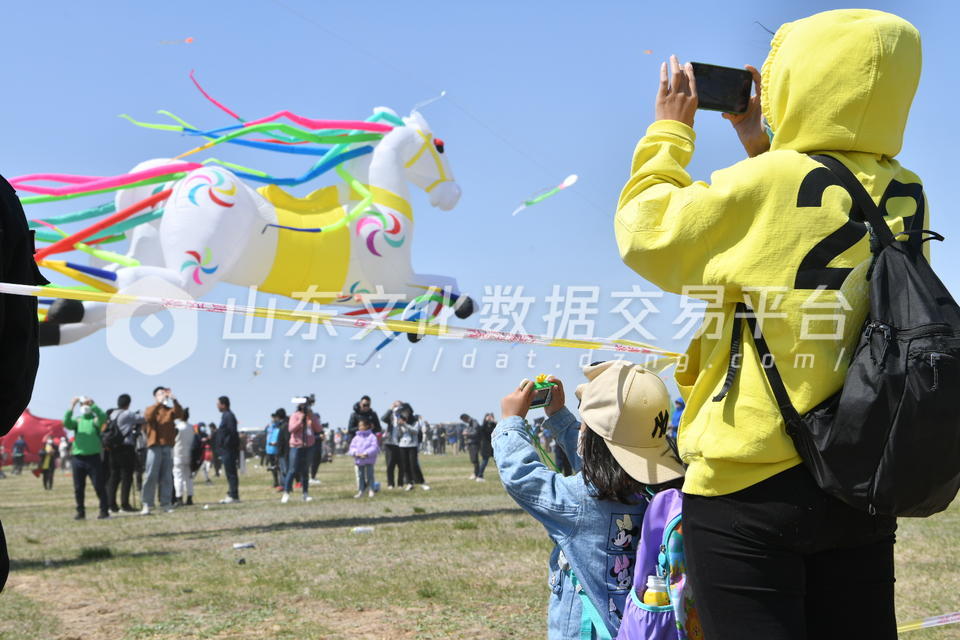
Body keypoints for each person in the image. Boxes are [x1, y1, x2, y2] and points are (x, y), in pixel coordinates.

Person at [613, 10, 921, 638]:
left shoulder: (769, 181)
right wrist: (763, 142)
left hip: (748, 482)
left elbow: (647, 233)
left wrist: (669, 135)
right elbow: (810, 235)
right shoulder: (907, 191)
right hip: (859, 470)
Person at [495, 362, 684, 639]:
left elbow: (521, 476)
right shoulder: (657, 488)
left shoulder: (580, 501)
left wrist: (511, 421)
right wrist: (559, 416)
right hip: (636, 626)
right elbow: (608, 455)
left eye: (585, 424)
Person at [62, 397, 109, 520]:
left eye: (87, 404)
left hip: (93, 458)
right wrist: (72, 406)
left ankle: (104, 511)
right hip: (78, 459)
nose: (85, 406)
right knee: (78, 488)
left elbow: (103, 417)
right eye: (82, 404)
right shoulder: (77, 421)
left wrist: (93, 405)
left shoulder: (95, 421)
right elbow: (66, 422)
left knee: (99, 485)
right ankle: (80, 512)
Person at [142, 386, 184, 515]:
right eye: (160, 394)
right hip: (154, 446)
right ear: (155, 396)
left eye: (164, 393)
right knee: (151, 475)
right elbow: (148, 417)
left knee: (167, 476)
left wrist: (174, 400)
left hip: (167, 446)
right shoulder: (150, 409)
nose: (163, 395)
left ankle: (166, 503)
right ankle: (147, 504)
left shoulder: (169, 411)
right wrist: (159, 403)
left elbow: (180, 414)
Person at [106, 394, 141, 513]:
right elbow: (143, 418)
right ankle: (125, 504)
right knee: (126, 476)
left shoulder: (111, 414)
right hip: (126, 448)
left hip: (113, 448)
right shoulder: (127, 414)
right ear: (128, 403)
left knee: (114, 477)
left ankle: (111, 505)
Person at [281, 402, 320, 503]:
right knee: (292, 470)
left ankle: (305, 493)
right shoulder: (295, 415)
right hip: (296, 446)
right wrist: (301, 421)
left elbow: (318, 429)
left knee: (305, 471)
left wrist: (312, 418)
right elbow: (291, 429)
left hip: (309, 446)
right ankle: (286, 492)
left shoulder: (311, 416)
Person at [395, 404, 429, 491]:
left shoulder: (416, 420)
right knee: (405, 465)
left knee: (414, 465)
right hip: (402, 445)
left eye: (405, 411)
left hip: (412, 445)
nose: (404, 413)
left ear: (409, 411)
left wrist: (405, 424)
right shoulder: (400, 420)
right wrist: (399, 425)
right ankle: (410, 483)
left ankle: (422, 482)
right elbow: (400, 434)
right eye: (402, 412)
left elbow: (415, 431)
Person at [215, 396, 240, 504]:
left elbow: (231, 432)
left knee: (231, 472)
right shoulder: (225, 416)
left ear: (223, 405)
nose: (217, 406)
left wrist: (226, 445)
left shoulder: (229, 416)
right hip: (226, 449)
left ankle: (233, 495)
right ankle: (231, 493)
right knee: (229, 472)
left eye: (218, 404)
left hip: (229, 449)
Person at [348, 418, 379, 498]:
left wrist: (366, 453)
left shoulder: (372, 437)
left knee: (370, 475)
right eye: (359, 426)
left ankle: (371, 489)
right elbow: (352, 448)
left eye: (361, 425)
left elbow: (374, 447)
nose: (360, 427)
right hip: (359, 460)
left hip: (369, 459)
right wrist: (355, 453)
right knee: (360, 476)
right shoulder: (356, 437)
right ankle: (361, 490)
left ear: (367, 426)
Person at [172, 408, 195, 506]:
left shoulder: (178, 427)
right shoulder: (191, 427)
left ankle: (179, 497)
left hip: (178, 454)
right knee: (188, 477)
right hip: (189, 454)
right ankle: (189, 497)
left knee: (178, 477)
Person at [380, 402, 402, 489]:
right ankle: (390, 484)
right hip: (389, 443)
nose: (397, 407)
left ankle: (400, 484)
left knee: (401, 465)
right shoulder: (391, 416)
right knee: (390, 465)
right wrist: (390, 409)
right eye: (395, 405)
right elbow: (383, 418)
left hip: (401, 444)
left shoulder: (404, 416)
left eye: (398, 405)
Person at [264, 410, 285, 490]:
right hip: (269, 450)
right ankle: (276, 482)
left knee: (279, 467)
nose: (273, 419)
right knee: (273, 468)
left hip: (276, 450)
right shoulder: (269, 427)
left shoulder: (279, 426)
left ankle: (281, 483)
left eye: (274, 417)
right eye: (272, 417)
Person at [461, 414, 482, 480]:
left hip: (474, 443)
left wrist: (467, 434)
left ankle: (478, 474)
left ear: (465, 418)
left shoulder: (474, 422)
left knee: (475, 459)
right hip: (471, 443)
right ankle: (476, 473)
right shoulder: (470, 423)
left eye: (463, 420)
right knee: (473, 460)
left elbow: (475, 432)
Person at [477, 413, 496, 481]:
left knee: (498, 461)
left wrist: (493, 422)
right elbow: (482, 429)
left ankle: (504, 475)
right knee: (485, 461)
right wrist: (486, 420)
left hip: (492, 447)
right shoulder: (484, 426)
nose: (489, 418)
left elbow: (495, 429)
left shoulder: (492, 425)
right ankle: (479, 476)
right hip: (485, 447)